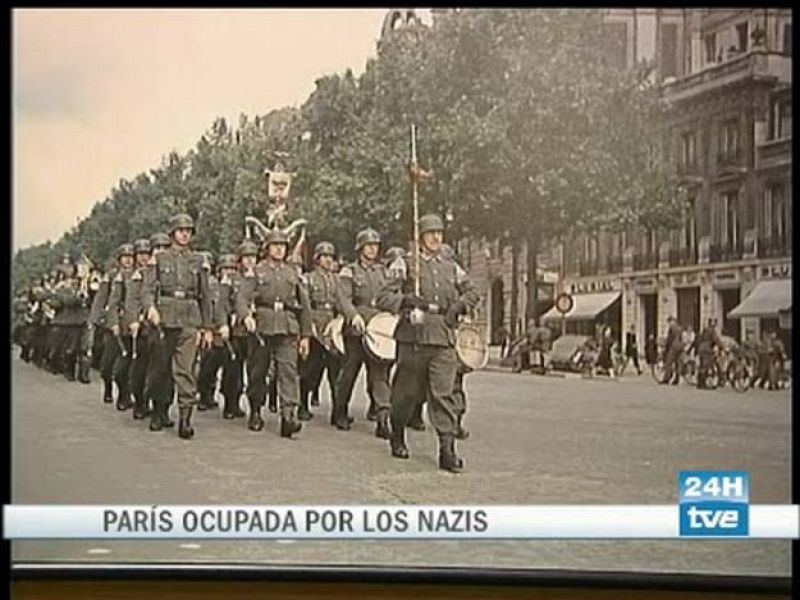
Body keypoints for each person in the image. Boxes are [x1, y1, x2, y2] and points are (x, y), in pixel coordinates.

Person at [377, 214, 480, 472]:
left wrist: (459, 306)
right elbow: (383, 296)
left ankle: (447, 449)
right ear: (420, 236)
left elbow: (473, 291)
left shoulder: (451, 267)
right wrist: (405, 301)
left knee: (443, 393)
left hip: (443, 335)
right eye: (430, 233)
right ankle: (397, 433)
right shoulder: (406, 263)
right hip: (414, 336)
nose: (436, 238)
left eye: (439, 233)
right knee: (407, 394)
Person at [141, 213, 214, 440]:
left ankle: (185, 418)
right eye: (181, 231)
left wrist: (207, 328)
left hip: (190, 318)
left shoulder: (198, 260)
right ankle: (159, 411)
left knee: (185, 370)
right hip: (164, 318)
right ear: (173, 233)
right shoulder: (159, 259)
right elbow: (147, 289)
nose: (184, 235)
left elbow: (205, 296)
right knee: (161, 369)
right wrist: (150, 308)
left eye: (188, 231)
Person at [235, 229, 312, 438]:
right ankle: (255, 410)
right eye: (275, 245)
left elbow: (304, 305)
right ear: (267, 248)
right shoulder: (256, 271)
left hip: (287, 325)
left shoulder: (292, 273)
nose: (279, 249)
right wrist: (246, 316)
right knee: (258, 371)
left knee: (288, 371)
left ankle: (288, 416)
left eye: (283, 245)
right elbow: (242, 298)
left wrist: (305, 335)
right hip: (262, 325)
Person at [334, 227, 393, 436]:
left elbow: (391, 297)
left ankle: (383, 417)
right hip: (356, 331)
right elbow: (343, 297)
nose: (372, 249)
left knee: (380, 375)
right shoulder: (349, 271)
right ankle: (340, 411)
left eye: (375, 246)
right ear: (360, 248)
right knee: (349, 372)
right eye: (368, 246)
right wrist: (353, 315)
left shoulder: (383, 272)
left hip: (378, 330)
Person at [107, 239, 153, 411]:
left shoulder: (155, 274)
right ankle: (126, 396)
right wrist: (114, 323)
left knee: (149, 371)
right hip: (129, 329)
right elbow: (114, 302)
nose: (143, 258)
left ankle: (143, 403)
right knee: (122, 370)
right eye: (140, 254)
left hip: (150, 329)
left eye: (147, 254)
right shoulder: (126, 276)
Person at [299, 241, 342, 422]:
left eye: (330, 257)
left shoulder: (337, 280)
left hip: (332, 327)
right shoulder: (308, 279)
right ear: (317, 259)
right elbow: (305, 304)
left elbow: (342, 302)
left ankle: (338, 411)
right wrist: (308, 328)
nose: (328, 260)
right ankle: (302, 405)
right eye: (324, 256)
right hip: (314, 325)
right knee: (309, 371)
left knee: (336, 373)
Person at [217, 241, 258, 420]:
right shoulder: (231, 279)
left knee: (255, 370)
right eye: (246, 257)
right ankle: (230, 403)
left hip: (255, 330)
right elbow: (222, 304)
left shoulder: (260, 277)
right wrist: (223, 324)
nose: (250, 261)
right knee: (232, 369)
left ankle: (253, 406)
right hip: (235, 329)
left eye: (253, 257)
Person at [89, 244, 134, 404]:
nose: (128, 260)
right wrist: (95, 318)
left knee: (127, 363)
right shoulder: (112, 276)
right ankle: (108, 387)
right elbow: (101, 298)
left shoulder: (137, 275)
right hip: (112, 322)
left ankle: (124, 395)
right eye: (125, 257)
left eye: (131, 257)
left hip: (129, 323)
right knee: (107, 362)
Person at [696, 318, 721, 389]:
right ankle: (703, 384)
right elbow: (716, 340)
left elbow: (699, 339)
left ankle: (699, 383)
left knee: (702, 365)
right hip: (707, 349)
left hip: (701, 348)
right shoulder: (712, 331)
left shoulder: (705, 330)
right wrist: (722, 346)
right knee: (706, 366)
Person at [662, 316, 683, 385]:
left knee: (669, 362)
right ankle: (677, 379)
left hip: (674, 346)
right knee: (678, 363)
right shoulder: (679, 328)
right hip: (680, 346)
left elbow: (670, 338)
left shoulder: (672, 328)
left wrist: (666, 347)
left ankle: (667, 378)